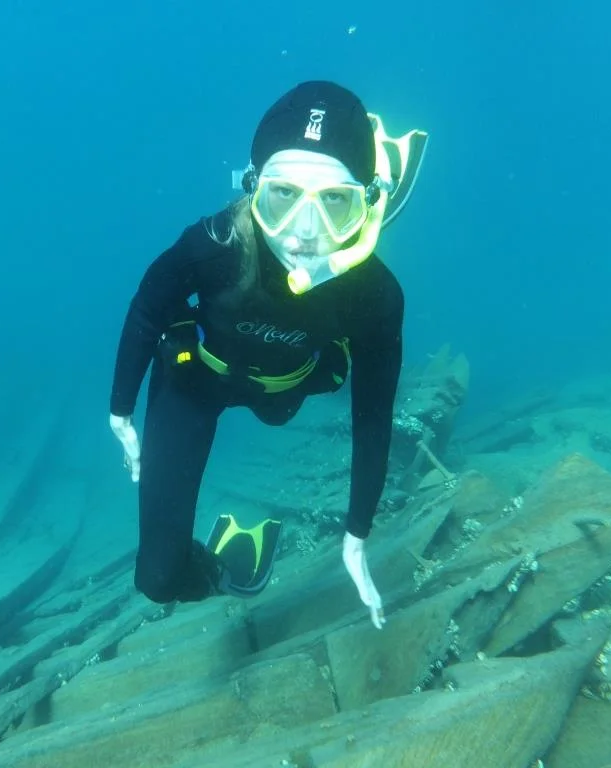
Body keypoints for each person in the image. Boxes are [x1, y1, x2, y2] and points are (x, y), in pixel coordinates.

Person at [108, 80, 427, 629]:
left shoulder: (374, 295)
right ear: (252, 186)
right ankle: (224, 564)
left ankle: (376, 169)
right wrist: (120, 412)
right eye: (282, 196)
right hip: (195, 383)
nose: (303, 233)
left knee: (281, 409)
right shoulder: (212, 244)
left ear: (363, 202)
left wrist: (356, 535)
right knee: (156, 581)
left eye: (334, 202)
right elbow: (145, 308)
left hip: (288, 384)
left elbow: (372, 420)